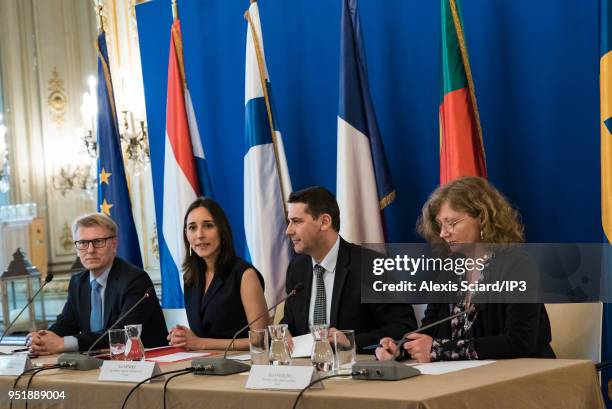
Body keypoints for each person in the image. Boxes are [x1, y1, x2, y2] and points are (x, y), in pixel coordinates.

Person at [376, 176, 555, 362]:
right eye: (440, 225)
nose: (443, 234)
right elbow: (428, 331)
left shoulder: (518, 265)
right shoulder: (449, 270)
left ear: (483, 217)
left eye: (452, 223)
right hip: (463, 378)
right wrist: (400, 348)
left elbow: (519, 342)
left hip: (523, 376)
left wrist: (439, 350)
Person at [282, 186, 417, 353]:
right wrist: (284, 333)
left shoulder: (370, 265)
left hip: (356, 369)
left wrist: (351, 342)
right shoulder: (297, 268)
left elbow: (403, 327)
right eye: (289, 222)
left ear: (324, 222)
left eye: (296, 221)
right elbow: (290, 324)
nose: (288, 230)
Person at [28, 213, 168, 354]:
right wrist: (41, 339)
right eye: (83, 243)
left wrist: (64, 343)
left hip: (143, 362)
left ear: (114, 244)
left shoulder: (136, 280)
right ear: (77, 248)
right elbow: (66, 324)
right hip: (96, 362)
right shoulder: (78, 282)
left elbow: (122, 333)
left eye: (98, 242)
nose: (90, 250)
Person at [167, 197, 268, 350]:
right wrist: (183, 337)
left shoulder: (245, 274)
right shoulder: (190, 279)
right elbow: (200, 335)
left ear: (222, 231)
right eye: (192, 228)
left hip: (242, 366)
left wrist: (200, 343)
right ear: (186, 235)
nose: (199, 234)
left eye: (208, 226)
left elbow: (261, 340)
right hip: (205, 365)